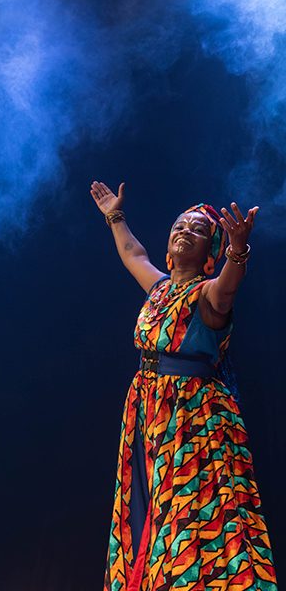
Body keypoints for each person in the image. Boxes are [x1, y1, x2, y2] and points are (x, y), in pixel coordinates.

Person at [90, 182, 277, 591]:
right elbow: (132, 253)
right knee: (151, 515)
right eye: (180, 225)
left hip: (193, 421)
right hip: (148, 416)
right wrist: (115, 216)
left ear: (209, 255)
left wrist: (237, 251)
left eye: (197, 229)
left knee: (191, 514)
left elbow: (228, 289)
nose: (185, 230)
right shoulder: (159, 289)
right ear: (169, 247)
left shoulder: (207, 295)